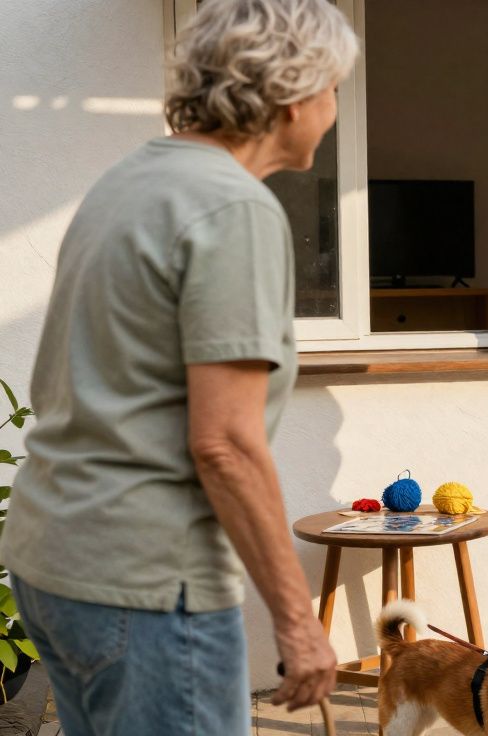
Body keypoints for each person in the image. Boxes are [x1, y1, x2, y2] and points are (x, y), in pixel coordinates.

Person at [0, 0, 358, 731]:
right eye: (333, 87)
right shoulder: (232, 209)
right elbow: (224, 442)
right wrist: (298, 620)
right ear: (291, 96)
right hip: (147, 588)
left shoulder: (130, 179)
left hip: (56, 561)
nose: (334, 106)